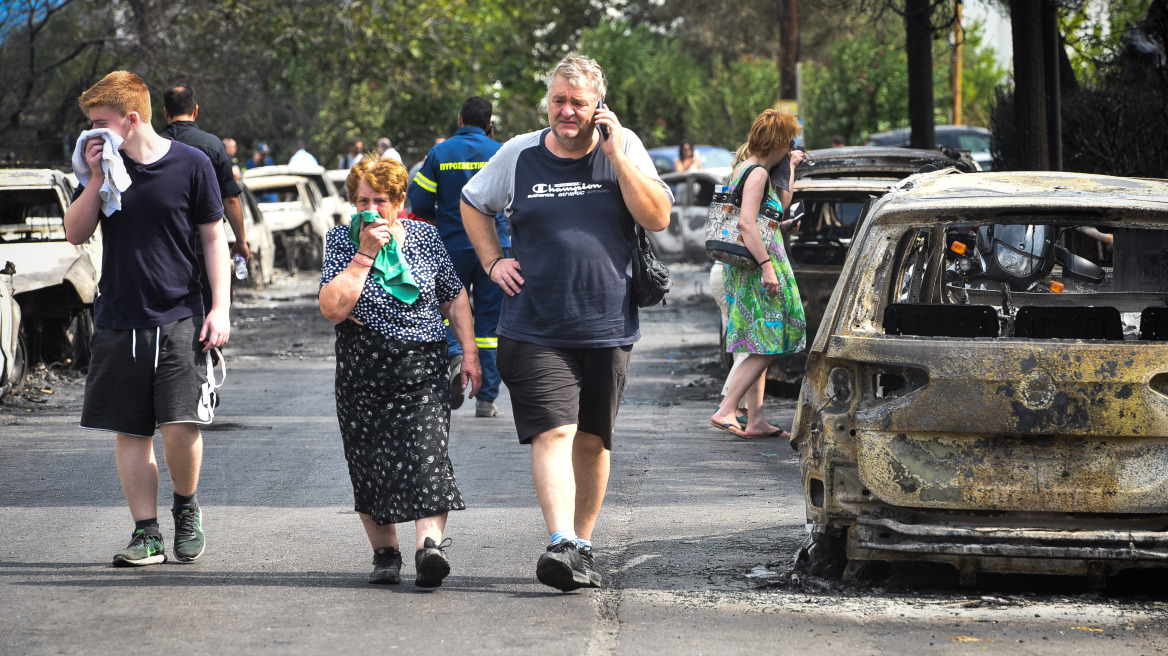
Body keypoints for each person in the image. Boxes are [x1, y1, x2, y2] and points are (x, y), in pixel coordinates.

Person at [460, 55, 672, 592]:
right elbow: (472, 203)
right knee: (555, 430)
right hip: (533, 324)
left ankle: (582, 543)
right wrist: (492, 261)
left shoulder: (624, 148)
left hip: (606, 323)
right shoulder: (519, 153)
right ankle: (560, 541)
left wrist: (617, 154)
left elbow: (658, 217)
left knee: (594, 441)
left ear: (598, 105)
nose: (567, 111)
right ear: (547, 103)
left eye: (578, 102)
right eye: (559, 100)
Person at [63, 70, 231, 567]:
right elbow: (75, 232)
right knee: (131, 431)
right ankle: (146, 533)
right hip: (118, 315)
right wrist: (94, 177)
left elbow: (213, 238)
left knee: (179, 426)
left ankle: (186, 510)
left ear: (131, 119)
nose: (91, 134)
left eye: (100, 123)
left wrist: (219, 307)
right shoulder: (105, 169)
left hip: (181, 314)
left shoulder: (193, 164)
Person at [318, 156, 481, 587]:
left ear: (401, 202)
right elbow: (333, 308)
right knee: (368, 460)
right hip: (361, 365)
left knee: (426, 453)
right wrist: (364, 255)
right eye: (363, 201)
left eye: (381, 201)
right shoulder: (340, 240)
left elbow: (453, 297)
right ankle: (384, 554)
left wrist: (469, 352)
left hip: (421, 364)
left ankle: (428, 548)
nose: (371, 210)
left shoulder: (426, 237)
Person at [709, 109, 806, 440]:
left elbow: (762, 217)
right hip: (756, 269)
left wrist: (781, 226)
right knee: (769, 342)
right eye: (789, 140)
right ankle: (727, 408)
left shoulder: (745, 169)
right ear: (778, 141)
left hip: (747, 267)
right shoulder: (757, 174)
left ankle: (756, 420)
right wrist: (767, 267)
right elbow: (746, 224)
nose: (790, 146)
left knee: (759, 340)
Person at [407, 96, 506, 418]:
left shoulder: (440, 152)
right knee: (490, 324)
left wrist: (442, 219)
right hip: (495, 250)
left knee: (448, 309)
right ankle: (486, 399)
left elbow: (419, 201)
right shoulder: (502, 153)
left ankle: (454, 356)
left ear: (460, 120)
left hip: (452, 246)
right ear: (489, 125)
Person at [160, 83, 249, 307]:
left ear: (165, 112)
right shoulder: (212, 145)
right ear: (196, 110)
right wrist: (240, 241)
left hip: (163, 247)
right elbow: (230, 198)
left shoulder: (153, 145)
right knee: (211, 309)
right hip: (204, 246)